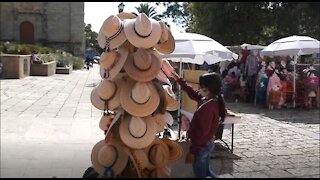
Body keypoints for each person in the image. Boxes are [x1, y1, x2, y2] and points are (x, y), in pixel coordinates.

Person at [171, 71, 226, 178]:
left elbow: (201, 134)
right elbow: (192, 92)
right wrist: (178, 79)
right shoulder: (209, 99)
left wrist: (192, 151)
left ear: (208, 89)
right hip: (208, 143)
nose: (199, 88)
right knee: (207, 172)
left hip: (202, 146)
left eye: (201, 86)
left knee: (201, 175)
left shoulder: (208, 108)